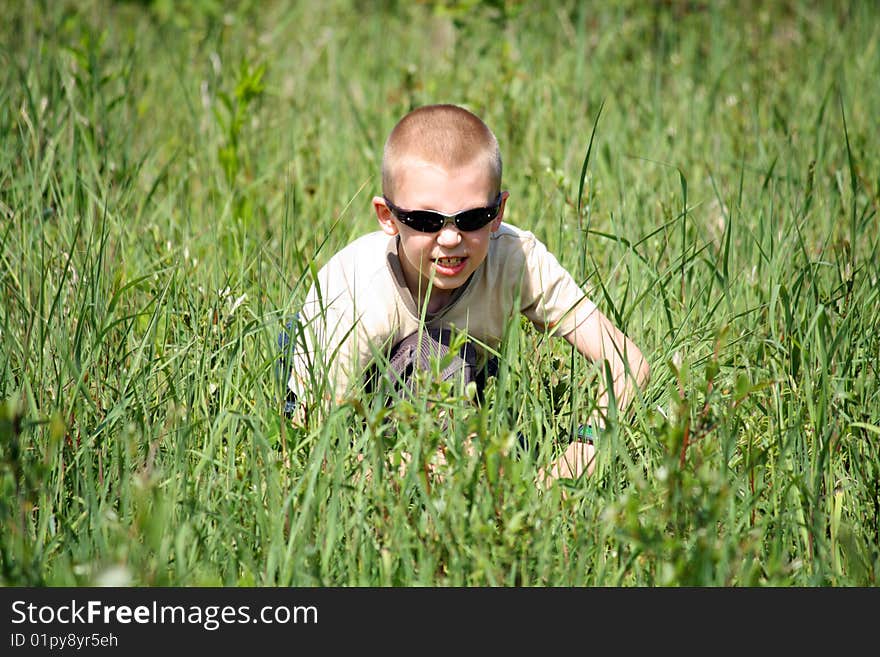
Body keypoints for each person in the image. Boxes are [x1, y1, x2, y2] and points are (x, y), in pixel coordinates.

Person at [285, 104, 650, 485]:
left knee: (503, 438)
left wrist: (575, 459)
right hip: (342, 395)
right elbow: (313, 439)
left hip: (463, 384)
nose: (450, 239)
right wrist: (397, 469)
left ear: (498, 213)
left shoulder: (516, 259)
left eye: (471, 218)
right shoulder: (357, 294)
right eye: (425, 221)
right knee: (437, 351)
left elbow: (628, 363)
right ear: (387, 217)